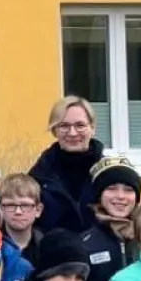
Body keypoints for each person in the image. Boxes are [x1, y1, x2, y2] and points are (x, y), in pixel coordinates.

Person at [77, 156, 141, 281]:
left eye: (128, 190)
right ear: (99, 195)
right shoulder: (84, 243)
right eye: (112, 188)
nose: (120, 196)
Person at [30, 95, 105, 235]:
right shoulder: (39, 176)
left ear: (92, 128)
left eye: (80, 125)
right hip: (54, 253)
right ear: (54, 130)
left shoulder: (109, 174)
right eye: (64, 126)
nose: (72, 133)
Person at [0, 173, 44, 264]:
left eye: (25, 205)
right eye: (10, 205)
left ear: (38, 210)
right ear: (1, 209)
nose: (18, 212)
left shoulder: (47, 247)